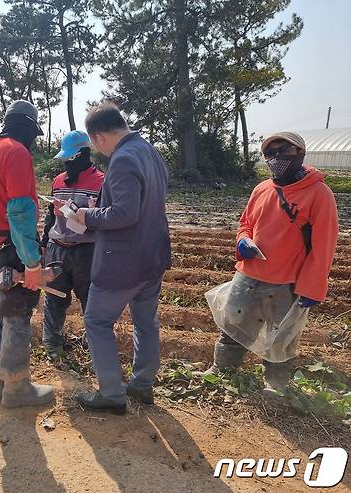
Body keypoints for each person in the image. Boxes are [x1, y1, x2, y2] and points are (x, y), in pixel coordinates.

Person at [203, 132, 339, 394]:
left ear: (300, 153)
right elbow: (246, 224)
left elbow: (323, 248)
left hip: (285, 282)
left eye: (284, 151)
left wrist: (312, 287)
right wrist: (243, 240)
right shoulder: (262, 189)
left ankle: (276, 383)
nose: (276, 158)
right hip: (248, 275)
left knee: (282, 335)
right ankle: (222, 369)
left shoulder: (319, 194)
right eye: (270, 153)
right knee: (233, 323)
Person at [72, 103, 172, 414]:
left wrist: (87, 215)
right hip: (151, 257)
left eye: (95, 144)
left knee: (97, 321)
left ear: (100, 137)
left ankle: (111, 393)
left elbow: (124, 213)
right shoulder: (151, 153)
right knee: (145, 322)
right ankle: (142, 384)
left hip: (123, 262)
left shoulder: (123, 159)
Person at [0, 100, 55, 408]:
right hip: (14, 248)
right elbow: (20, 211)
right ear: (28, 128)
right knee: (18, 311)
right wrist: (32, 263)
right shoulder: (17, 153)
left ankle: (1, 382)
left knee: (0, 309)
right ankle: (17, 388)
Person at [40, 130, 104, 357]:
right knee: (54, 298)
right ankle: (52, 345)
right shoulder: (58, 181)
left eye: (71, 158)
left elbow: (106, 218)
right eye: (65, 159)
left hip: (87, 251)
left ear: (83, 154)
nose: (67, 163)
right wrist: (45, 242)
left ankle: (96, 348)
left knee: (91, 302)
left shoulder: (101, 181)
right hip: (58, 248)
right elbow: (50, 216)